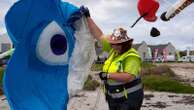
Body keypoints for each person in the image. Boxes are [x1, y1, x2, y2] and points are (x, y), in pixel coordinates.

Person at [79, 6, 144, 110]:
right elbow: (98, 35)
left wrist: (108, 75)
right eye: (113, 44)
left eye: (119, 44)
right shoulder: (114, 51)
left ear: (126, 43)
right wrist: (88, 17)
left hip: (129, 99)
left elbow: (128, 77)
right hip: (114, 97)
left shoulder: (132, 56)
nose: (115, 46)